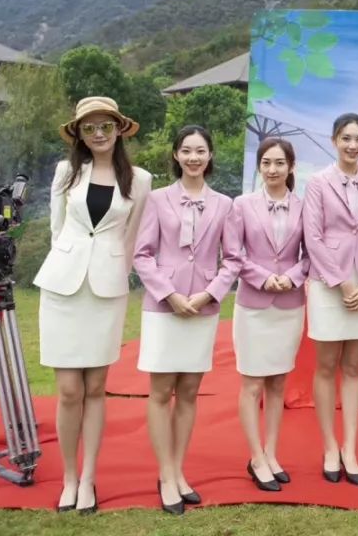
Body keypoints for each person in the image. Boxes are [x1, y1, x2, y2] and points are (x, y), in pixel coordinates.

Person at [34, 96, 152, 514]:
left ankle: (88, 479)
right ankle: (68, 477)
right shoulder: (66, 172)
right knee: (69, 390)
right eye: (89, 127)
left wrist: (112, 269)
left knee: (96, 388)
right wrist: (72, 262)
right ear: (79, 134)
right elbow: (57, 228)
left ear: (119, 129)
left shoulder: (140, 180)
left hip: (106, 289)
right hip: (62, 287)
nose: (98, 134)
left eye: (105, 126)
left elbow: (131, 237)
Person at [133, 125, 242, 515]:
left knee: (190, 392)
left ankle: (179, 471)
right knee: (162, 392)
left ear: (210, 156)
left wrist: (210, 293)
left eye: (200, 151)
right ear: (176, 155)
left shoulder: (225, 204)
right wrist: (170, 294)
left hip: (202, 307)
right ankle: (165, 475)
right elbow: (142, 255)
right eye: (186, 150)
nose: (193, 157)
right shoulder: (157, 199)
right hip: (164, 307)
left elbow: (233, 260)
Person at [302, 113, 358, 486]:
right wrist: (341, 284)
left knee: (353, 367)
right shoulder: (318, 182)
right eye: (346, 138)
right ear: (334, 140)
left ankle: (350, 448)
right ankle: (329, 446)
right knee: (325, 366)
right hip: (327, 283)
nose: (352, 145)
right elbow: (313, 237)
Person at [229, 137, 309, 492]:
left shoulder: (304, 207)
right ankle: (256, 457)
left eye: (279, 163)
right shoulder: (242, 205)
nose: (273, 169)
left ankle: (272, 454)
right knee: (252, 384)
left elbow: (311, 253)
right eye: (266, 163)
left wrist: (291, 277)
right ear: (259, 166)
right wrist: (264, 278)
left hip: (289, 305)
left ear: (291, 167)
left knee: (278, 383)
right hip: (253, 305)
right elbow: (233, 254)